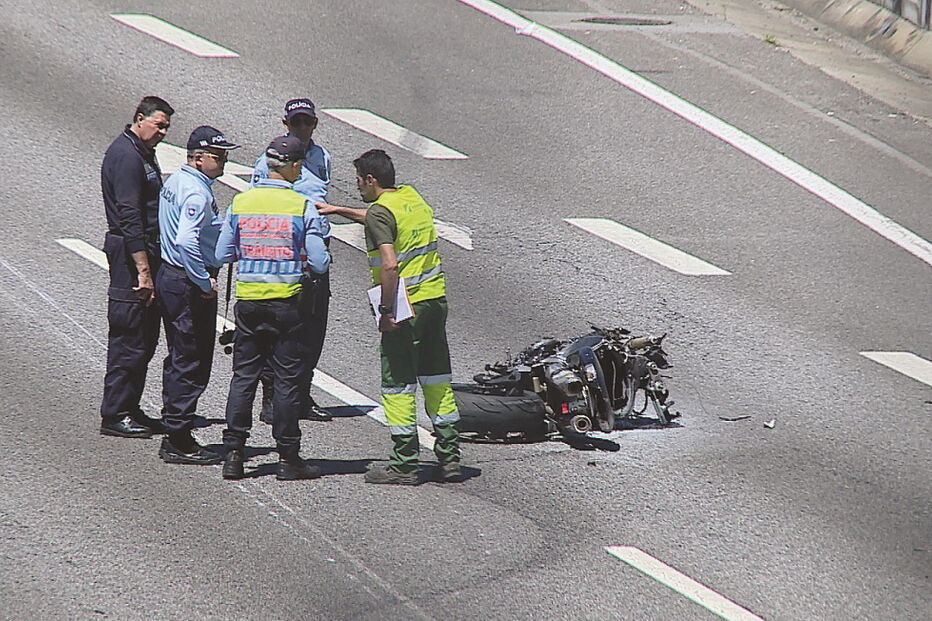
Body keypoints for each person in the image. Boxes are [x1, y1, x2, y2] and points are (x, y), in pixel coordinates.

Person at [317, 149, 461, 485]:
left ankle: (405, 462)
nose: (356, 187)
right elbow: (380, 216)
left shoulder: (381, 213)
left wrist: (385, 311)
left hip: (405, 308)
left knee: (397, 384)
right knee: (436, 379)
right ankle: (450, 457)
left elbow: (390, 263)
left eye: (358, 181)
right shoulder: (411, 198)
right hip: (434, 302)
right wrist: (340, 210)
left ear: (371, 180)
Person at [217, 135, 331, 481]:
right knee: (285, 379)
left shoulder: (241, 203)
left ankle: (234, 454)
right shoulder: (301, 206)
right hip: (287, 304)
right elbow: (320, 263)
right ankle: (288, 457)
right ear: (295, 166)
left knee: (244, 377)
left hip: (250, 302)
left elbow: (222, 254)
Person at [156, 126, 240, 465]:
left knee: (179, 354)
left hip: (171, 277)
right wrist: (204, 282)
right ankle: (177, 438)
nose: (223, 162)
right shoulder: (197, 194)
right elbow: (185, 241)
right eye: (218, 156)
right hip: (187, 282)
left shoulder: (176, 181)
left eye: (224, 156)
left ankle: (174, 424)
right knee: (191, 359)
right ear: (198, 157)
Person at [251, 98, 333, 423]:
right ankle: (271, 397)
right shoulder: (267, 163)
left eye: (307, 123)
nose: (302, 129)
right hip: (285, 253)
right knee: (280, 330)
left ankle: (301, 393)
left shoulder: (321, 156)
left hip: (316, 248)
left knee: (313, 330)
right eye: (296, 122)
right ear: (285, 123)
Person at [99, 96, 174, 439]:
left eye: (166, 127)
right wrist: (143, 270)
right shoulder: (128, 156)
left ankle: (130, 406)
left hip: (144, 249)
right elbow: (129, 216)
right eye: (159, 125)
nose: (162, 132)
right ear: (139, 119)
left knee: (144, 337)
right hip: (131, 253)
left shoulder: (142, 152)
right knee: (129, 335)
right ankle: (115, 413)